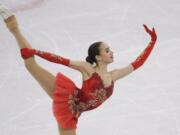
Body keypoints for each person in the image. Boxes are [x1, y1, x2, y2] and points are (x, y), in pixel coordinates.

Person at [0, 4, 157, 135]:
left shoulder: (114, 75)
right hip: (69, 103)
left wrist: (152, 41)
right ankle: (12, 24)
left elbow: (138, 63)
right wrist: (35, 52)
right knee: (31, 64)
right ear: (98, 57)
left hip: (76, 110)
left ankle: (13, 26)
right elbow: (59, 60)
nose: (112, 52)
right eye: (107, 50)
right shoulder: (87, 68)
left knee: (30, 65)